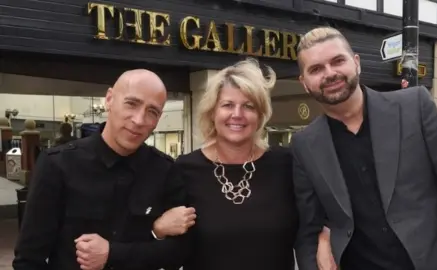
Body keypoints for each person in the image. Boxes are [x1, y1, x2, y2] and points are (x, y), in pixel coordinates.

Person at [291, 26, 437, 270]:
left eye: (338, 61)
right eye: (316, 69)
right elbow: (308, 228)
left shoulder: (415, 107)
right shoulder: (304, 144)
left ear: (356, 63)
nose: (330, 73)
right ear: (304, 83)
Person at [13, 69, 196, 270]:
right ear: (109, 99)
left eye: (152, 111)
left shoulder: (166, 171)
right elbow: (29, 259)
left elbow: (180, 253)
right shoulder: (58, 165)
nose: (139, 120)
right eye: (131, 104)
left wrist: (113, 254)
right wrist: (153, 232)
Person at [152, 58, 298, 270]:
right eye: (228, 105)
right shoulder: (184, 169)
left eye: (248, 106)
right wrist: (158, 230)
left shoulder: (286, 164)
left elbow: (313, 225)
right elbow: (169, 253)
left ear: (260, 115)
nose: (237, 115)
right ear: (213, 112)